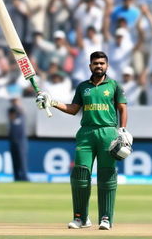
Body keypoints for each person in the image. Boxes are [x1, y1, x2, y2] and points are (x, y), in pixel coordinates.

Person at [36, 51, 132, 230]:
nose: (99, 66)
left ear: (107, 66)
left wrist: (123, 130)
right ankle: (81, 218)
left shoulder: (114, 86)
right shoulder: (82, 87)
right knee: (80, 175)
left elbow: (122, 108)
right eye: (96, 63)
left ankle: (105, 218)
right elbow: (74, 109)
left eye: (102, 63)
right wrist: (53, 102)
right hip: (86, 133)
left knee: (106, 176)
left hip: (108, 133)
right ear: (90, 66)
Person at [8, 98, 29, 182]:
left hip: (21, 140)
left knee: (22, 159)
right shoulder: (11, 111)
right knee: (14, 160)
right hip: (13, 139)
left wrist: (17, 106)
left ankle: (24, 177)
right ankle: (16, 177)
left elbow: (21, 111)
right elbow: (11, 114)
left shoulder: (21, 111)